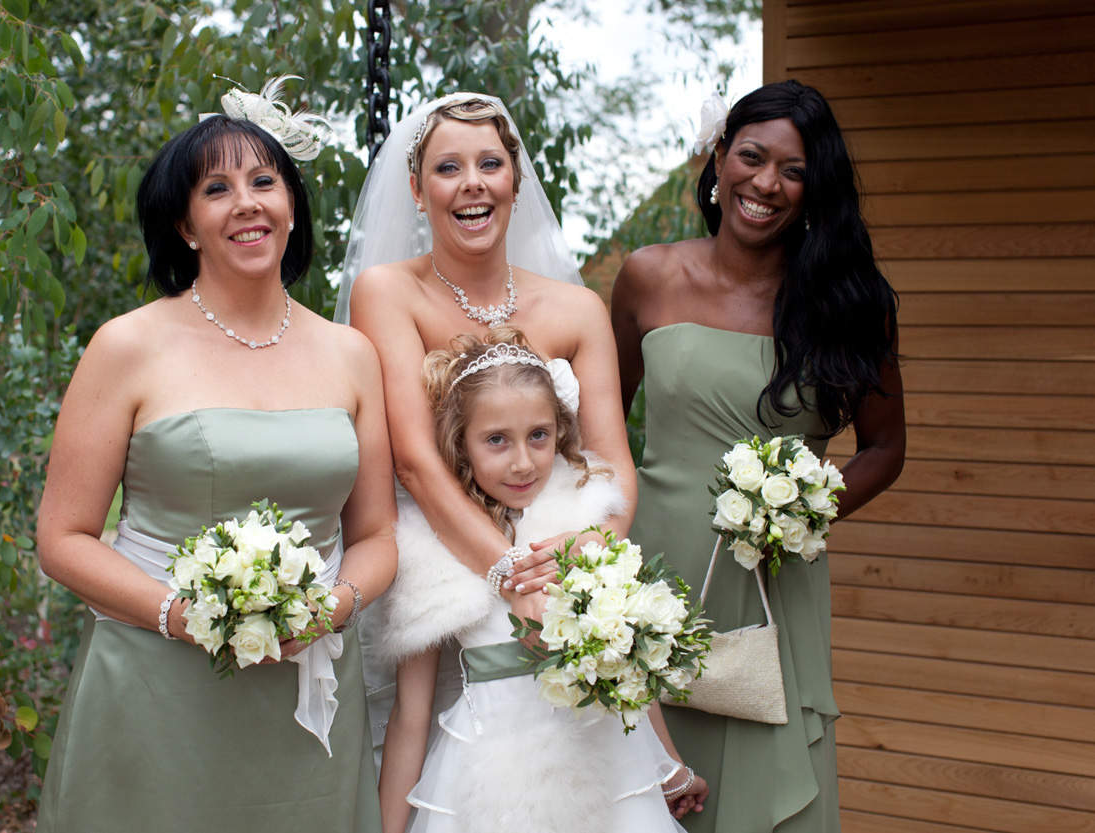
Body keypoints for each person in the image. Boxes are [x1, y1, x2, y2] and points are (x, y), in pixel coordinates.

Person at [35, 80, 396, 832]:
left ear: (292, 205)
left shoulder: (352, 354)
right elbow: (62, 538)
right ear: (185, 224)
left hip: (308, 687)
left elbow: (375, 537)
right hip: (157, 681)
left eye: (265, 181)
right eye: (217, 188)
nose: (247, 203)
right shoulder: (127, 345)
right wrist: (180, 614)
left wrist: (332, 606)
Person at [612, 79, 906, 833]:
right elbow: (600, 429)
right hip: (656, 570)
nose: (767, 183)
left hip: (776, 576)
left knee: (765, 780)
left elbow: (884, 448)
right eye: (752, 156)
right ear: (719, 158)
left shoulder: (848, 302)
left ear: (816, 191)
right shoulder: (649, 276)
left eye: (796, 170)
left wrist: (802, 508)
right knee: (639, 781)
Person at [339, 93, 642, 775]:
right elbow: (415, 461)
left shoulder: (579, 309)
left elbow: (615, 466)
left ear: (515, 181)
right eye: (448, 167)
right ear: (418, 191)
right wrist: (508, 574)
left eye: (489, 163)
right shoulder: (386, 292)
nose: (472, 182)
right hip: (444, 567)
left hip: (561, 566)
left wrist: (583, 556)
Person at [374, 328, 707, 833]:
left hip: (607, 773)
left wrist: (671, 766)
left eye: (539, 435)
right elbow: (411, 714)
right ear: (458, 444)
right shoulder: (431, 553)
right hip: (490, 784)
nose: (523, 462)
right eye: (495, 440)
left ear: (560, 432)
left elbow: (625, 671)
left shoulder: (585, 526)